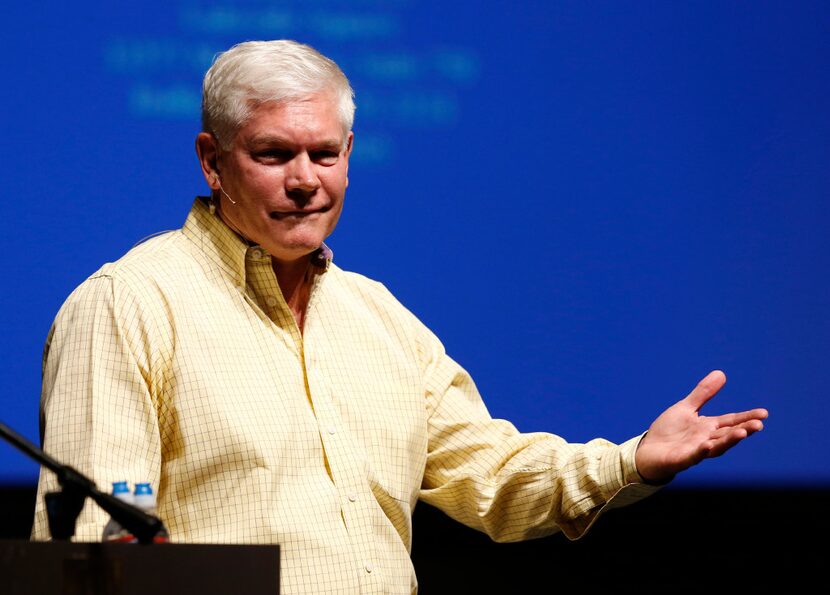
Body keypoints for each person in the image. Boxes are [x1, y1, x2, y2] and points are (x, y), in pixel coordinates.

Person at [31, 39, 768, 594]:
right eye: (273, 153)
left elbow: (495, 475)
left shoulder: (380, 320)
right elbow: (90, 551)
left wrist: (632, 458)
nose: (304, 181)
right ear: (212, 161)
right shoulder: (128, 302)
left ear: (350, 155)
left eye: (324, 153)